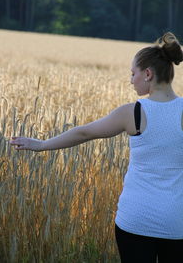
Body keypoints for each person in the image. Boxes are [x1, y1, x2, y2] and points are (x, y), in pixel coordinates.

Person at [10, 32, 183, 263]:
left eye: (133, 74)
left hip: (136, 220)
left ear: (148, 74)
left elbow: (84, 132)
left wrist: (41, 145)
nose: (131, 80)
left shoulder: (132, 113)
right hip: (177, 222)